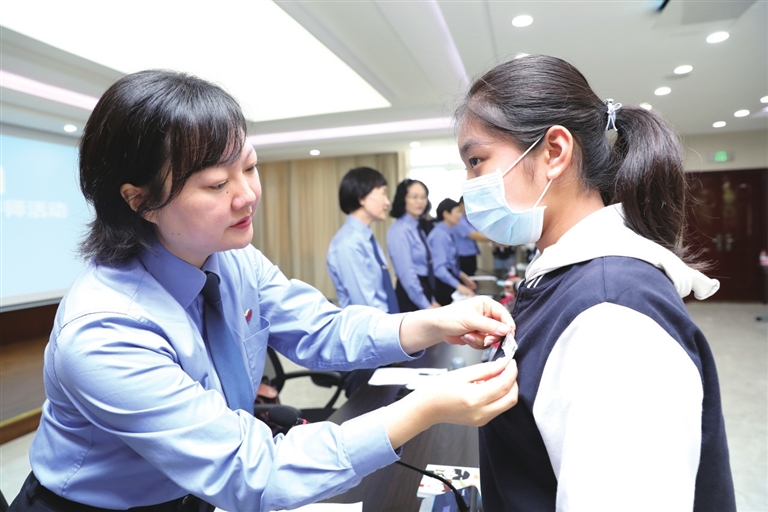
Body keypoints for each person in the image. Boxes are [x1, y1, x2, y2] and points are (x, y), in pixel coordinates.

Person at [8, 70, 521, 512]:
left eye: (250, 168)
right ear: (139, 200)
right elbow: (251, 470)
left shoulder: (234, 259)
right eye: (217, 184)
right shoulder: (103, 330)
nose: (248, 195)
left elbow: (322, 328)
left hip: (198, 492)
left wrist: (434, 322)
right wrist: (425, 408)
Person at [456, 54, 735, 511]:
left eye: (476, 161)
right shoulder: (566, 274)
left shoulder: (611, 317)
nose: (468, 183)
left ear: (554, 152)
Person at [326, 166, 396, 396]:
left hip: (381, 337)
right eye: (382, 193)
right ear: (362, 197)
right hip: (367, 347)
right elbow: (366, 306)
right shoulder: (348, 243)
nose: (387, 201)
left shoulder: (366, 238)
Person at [387, 179, 440, 311]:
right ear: (403, 199)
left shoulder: (417, 226)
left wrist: (431, 300)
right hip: (410, 295)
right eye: (414, 197)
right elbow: (407, 275)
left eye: (423, 197)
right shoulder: (399, 230)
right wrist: (427, 306)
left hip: (424, 289)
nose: (420, 201)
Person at [427, 198, 477, 306]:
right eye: (457, 212)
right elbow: (439, 269)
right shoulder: (439, 235)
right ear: (446, 214)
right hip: (441, 285)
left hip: (448, 280)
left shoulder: (447, 232)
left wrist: (463, 276)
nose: (460, 215)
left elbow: (450, 262)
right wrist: (459, 286)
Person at [452, 196, 488, 276]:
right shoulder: (459, 219)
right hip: (463, 257)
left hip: (470, 255)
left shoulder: (467, 218)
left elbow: (479, 231)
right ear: (462, 205)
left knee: (472, 277)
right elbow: (476, 235)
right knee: (468, 280)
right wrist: (496, 238)